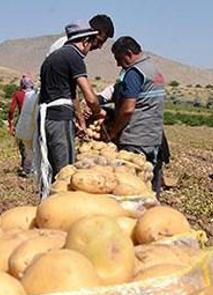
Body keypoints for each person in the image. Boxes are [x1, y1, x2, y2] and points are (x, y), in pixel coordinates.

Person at [35, 22, 105, 198]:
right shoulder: (74, 57)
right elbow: (88, 95)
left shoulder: (52, 57)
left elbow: (71, 94)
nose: (90, 49)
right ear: (85, 40)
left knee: (51, 168)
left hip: (47, 118)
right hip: (60, 119)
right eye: (91, 43)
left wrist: (80, 121)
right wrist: (98, 111)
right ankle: (60, 213)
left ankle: (49, 205)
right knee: (65, 172)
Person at [105, 36, 167, 196]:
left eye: (119, 59)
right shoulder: (153, 70)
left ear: (128, 53)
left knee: (132, 190)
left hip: (136, 139)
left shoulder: (134, 73)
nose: (118, 64)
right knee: (150, 188)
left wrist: (113, 132)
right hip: (154, 138)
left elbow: (127, 109)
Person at [47, 14, 114, 56]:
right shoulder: (68, 48)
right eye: (99, 41)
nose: (99, 46)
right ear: (92, 34)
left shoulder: (77, 50)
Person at [8, 75, 35, 177]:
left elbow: (11, 110)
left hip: (22, 121)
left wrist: (10, 122)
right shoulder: (35, 94)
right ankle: (33, 167)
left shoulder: (18, 94)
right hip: (35, 121)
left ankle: (25, 166)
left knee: (23, 144)